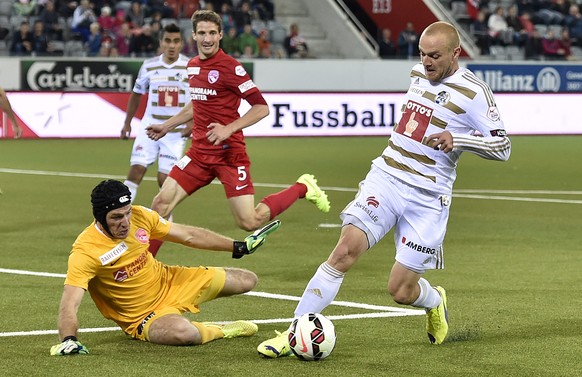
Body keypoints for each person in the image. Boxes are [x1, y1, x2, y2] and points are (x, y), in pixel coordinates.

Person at [257, 21, 512, 358]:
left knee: (400, 291)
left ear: (456, 52)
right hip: (387, 177)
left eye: (435, 56)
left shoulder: (475, 92)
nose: (426, 62)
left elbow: (503, 146)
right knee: (345, 251)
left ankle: (434, 301)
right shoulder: (418, 73)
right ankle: (294, 332)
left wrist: (458, 139)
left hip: (428, 198)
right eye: (422, 54)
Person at [145, 10, 330, 257]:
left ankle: (302, 187)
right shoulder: (192, 66)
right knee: (160, 204)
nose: (207, 38)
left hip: (229, 155)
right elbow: (197, 102)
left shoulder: (231, 67)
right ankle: (143, 266)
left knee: (250, 221)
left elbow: (261, 107)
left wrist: (228, 129)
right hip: (199, 154)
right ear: (194, 35)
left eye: (212, 33)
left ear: (220, 34)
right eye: (202, 33)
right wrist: (167, 125)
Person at [50, 179, 281, 355]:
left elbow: (188, 236)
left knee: (247, 280)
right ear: (100, 217)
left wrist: (237, 246)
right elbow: (69, 303)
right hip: (142, 317)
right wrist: (68, 339)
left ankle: (199, 315)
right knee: (185, 333)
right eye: (116, 217)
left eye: (127, 213)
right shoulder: (86, 251)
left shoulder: (141, 216)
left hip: (171, 281)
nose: (126, 222)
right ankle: (222, 329)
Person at [120, 23, 192, 205]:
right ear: (161, 42)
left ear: (181, 43)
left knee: (164, 179)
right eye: (167, 40)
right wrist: (127, 122)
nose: (171, 45)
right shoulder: (149, 66)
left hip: (174, 132)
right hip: (149, 127)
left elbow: (198, 99)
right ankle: (120, 214)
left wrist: (192, 123)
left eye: (176, 41)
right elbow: (136, 94)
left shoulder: (189, 67)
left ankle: (168, 224)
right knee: (136, 171)